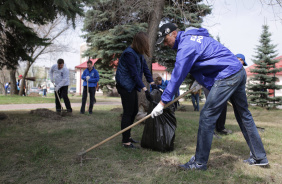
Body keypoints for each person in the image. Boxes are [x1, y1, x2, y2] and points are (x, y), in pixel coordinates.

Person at [151, 23, 268, 170]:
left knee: (207, 116)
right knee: (244, 114)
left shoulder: (186, 45)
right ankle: (260, 157)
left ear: (174, 33)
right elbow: (210, 60)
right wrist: (201, 82)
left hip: (227, 75)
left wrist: (163, 102)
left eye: (166, 40)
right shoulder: (195, 38)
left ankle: (199, 162)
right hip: (238, 71)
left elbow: (177, 75)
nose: (165, 45)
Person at [115, 32, 154, 149]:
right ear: (139, 43)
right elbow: (134, 74)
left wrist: (152, 83)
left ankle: (127, 136)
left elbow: (145, 69)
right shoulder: (129, 54)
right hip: (125, 86)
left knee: (134, 111)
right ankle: (125, 141)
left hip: (131, 85)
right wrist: (145, 90)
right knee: (128, 112)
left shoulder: (138, 53)